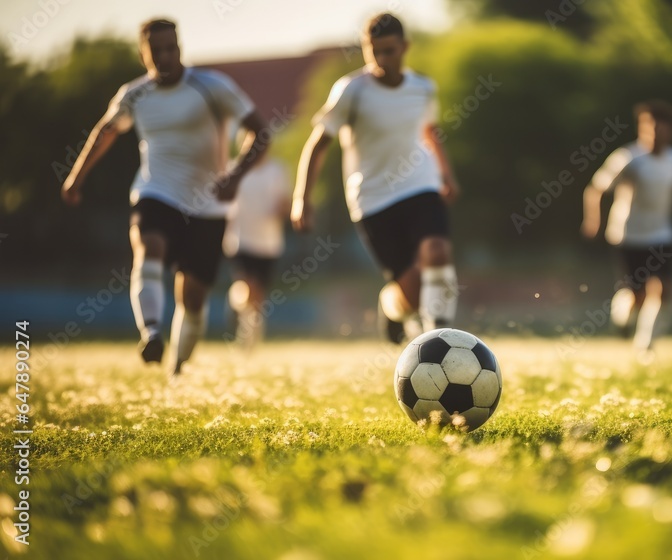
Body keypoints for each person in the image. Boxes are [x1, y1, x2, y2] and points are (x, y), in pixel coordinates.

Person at [61, 18, 269, 375]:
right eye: (155, 51)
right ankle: (152, 332)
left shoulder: (212, 87)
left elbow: (261, 133)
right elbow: (106, 132)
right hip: (155, 190)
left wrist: (235, 176)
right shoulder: (134, 94)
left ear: (180, 48)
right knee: (148, 246)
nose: (164, 56)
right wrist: (76, 178)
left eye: (170, 48)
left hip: (208, 205)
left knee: (192, 299)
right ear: (144, 54)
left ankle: (176, 368)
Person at [291, 12, 460, 343]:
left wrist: (446, 174)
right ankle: (391, 307)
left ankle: (442, 337)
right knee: (409, 294)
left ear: (404, 47)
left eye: (389, 51)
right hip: (373, 197)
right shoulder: (351, 91)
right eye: (374, 51)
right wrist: (302, 198)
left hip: (420, 184)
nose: (382, 59)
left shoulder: (423, 88)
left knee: (437, 251)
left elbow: (430, 132)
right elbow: (317, 145)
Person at [582, 100, 672, 353]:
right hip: (628, 235)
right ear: (642, 128)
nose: (655, 133)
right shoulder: (628, 158)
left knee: (665, 290)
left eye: (661, 128)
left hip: (662, 235)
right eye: (650, 127)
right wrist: (593, 219)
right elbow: (596, 189)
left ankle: (646, 344)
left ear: (670, 131)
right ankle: (622, 318)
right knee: (638, 295)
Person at [223, 153, 291, 351]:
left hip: (268, 243)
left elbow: (284, 201)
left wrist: (280, 209)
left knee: (258, 296)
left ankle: (249, 336)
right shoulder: (233, 168)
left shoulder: (277, 170)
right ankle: (239, 307)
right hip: (240, 239)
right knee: (249, 286)